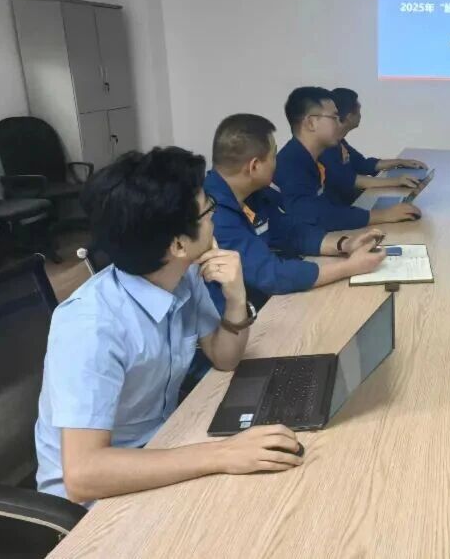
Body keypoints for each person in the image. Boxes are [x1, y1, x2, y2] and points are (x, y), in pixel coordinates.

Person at [35, 147, 303, 504]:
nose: (215, 216)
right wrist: (222, 454)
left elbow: (225, 357)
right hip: (98, 501)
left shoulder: (182, 276)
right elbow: (84, 475)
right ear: (178, 244)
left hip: (163, 449)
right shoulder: (90, 327)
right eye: (208, 209)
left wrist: (236, 298)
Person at [205, 113, 387, 310]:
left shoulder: (252, 194)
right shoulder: (213, 215)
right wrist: (350, 267)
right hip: (238, 318)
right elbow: (270, 275)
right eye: (273, 156)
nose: (277, 162)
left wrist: (344, 244)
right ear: (255, 166)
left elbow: (290, 232)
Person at [274, 87, 420, 231]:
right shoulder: (291, 164)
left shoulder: (310, 158)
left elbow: (325, 210)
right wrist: (384, 215)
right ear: (311, 123)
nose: (340, 123)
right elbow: (317, 216)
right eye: (334, 118)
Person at [320, 88, 427, 205]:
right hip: (337, 207)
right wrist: (397, 181)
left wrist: (400, 162)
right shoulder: (325, 146)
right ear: (349, 116)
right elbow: (349, 180)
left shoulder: (339, 141)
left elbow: (362, 164)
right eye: (359, 110)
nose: (360, 115)